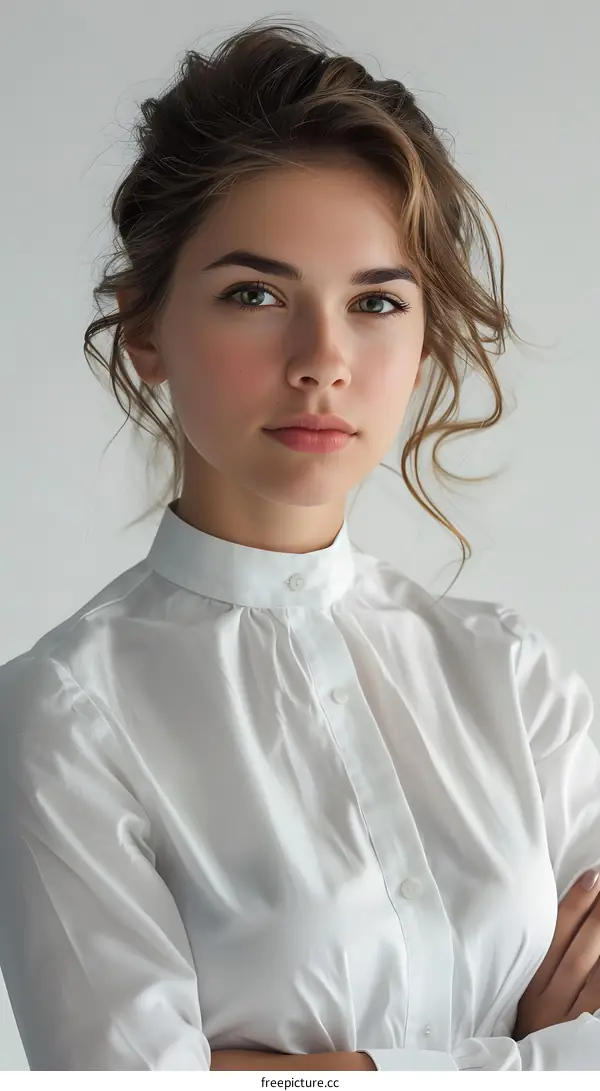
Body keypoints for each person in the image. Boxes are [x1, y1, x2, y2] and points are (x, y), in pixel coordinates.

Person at [1, 16, 599, 1073]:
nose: (323, 359)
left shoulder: (511, 674)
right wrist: (523, 1052)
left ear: (424, 340)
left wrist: (312, 1072)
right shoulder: (60, 716)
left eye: (376, 301)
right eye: (256, 294)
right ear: (146, 327)